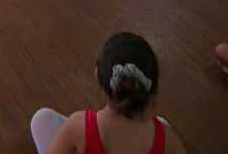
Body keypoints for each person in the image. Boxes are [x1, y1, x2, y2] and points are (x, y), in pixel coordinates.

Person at [29, 32, 186, 154]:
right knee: (161, 121)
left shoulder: (78, 126)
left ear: (97, 74)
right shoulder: (166, 138)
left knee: (42, 118)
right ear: (152, 88)